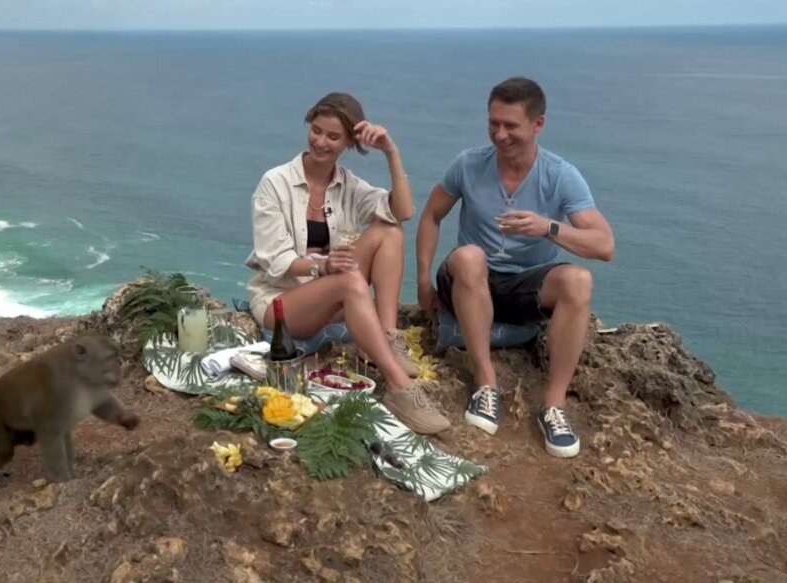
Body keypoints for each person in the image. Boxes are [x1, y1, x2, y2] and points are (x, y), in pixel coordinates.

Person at [414, 77, 615, 457]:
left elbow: (604, 245)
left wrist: (548, 227)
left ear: (538, 124)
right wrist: (423, 280)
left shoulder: (560, 175)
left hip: (524, 286)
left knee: (578, 280)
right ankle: (485, 382)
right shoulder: (468, 164)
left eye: (511, 126)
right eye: (493, 123)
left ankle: (553, 406)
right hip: (467, 280)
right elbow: (431, 216)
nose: (500, 135)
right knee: (470, 257)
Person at [245, 92, 449, 435]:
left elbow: (402, 211)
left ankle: (389, 337)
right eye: (316, 130)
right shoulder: (275, 183)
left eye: (333, 136)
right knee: (351, 282)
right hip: (281, 302)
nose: (320, 142)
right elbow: (274, 259)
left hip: (333, 292)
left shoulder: (347, 185)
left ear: (349, 142)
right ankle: (400, 388)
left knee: (390, 231)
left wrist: (391, 151)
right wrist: (323, 267)